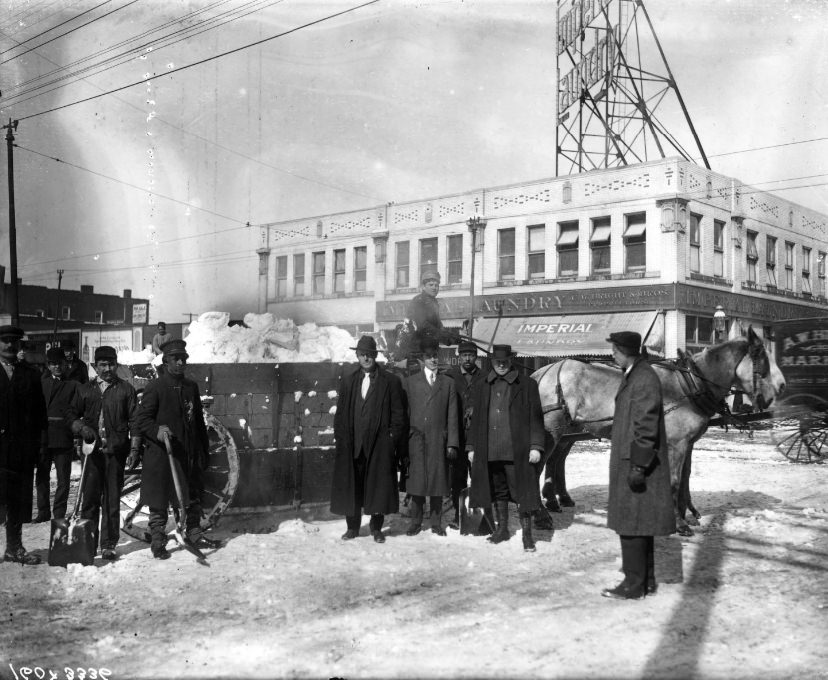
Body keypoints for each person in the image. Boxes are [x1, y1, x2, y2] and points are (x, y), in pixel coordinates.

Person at [601, 331, 675, 600]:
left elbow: (646, 425)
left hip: (635, 462)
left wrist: (639, 466)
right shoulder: (636, 374)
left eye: (615, 350)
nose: (612, 354)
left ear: (626, 351)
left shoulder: (642, 379)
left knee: (631, 523)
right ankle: (647, 581)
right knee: (639, 522)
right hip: (632, 460)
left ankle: (633, 586)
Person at [135, 339, 217, 560]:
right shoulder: (156, 387)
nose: (181, 362)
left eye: (184, 358)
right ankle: (158, 541)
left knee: (191, 496)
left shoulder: (191, 387)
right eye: (175, 358)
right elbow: (142, 420)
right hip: (163, 455)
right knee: (159, 500)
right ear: (166, 360)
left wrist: (202, 450)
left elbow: (198, 421)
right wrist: (157, 431)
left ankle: (193, 533)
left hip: (187, 454)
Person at [466, 344, 545, 552]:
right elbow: (475, 420)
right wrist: (472, 446)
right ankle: (502, 530)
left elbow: (536, 419)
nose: (501, 365)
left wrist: (536, 446)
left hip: (516, 450)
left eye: (505, 361)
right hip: (490, 449)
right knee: (497, 491)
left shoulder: (527, 385)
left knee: (523, 493)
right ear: (491, 362)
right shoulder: (483, 384)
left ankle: (527, 536)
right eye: (497, 361)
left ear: (511, 361)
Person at [330, 335, 407, 543]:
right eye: (362, 354)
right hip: (353, 444)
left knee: (378, 486)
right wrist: (341, 438)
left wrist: (391, 439)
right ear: (357, 355)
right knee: (352, 485)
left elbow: (399, 415)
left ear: (376, 356)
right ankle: (352, 527)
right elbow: (341, 414)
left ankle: (376, 529)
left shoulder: (390, 381)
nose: (366, 359)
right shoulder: (349, 381)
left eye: (370, 355)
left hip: (379, 445)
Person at [69, 346, 142, 560]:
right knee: (90, 499)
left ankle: (109, 544)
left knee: (111, 499)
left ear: (116, 365)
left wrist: (135, 447)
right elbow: (70, 414)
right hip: (92, 455)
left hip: (115, 453)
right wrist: (81, 428)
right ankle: (88, 544)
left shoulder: (126, 389)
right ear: (95, 366)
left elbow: (135, 421)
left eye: (111, 364)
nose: (107, 369)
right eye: (103, 365)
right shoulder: (84, 389)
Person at [0, 325, 48, 564]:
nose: (9, 345)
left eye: (13, 341)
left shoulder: (30, 374)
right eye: (5, 341)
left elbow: (39, 413)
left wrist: (40, 445)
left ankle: (14, 547)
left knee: (17, 500)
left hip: (21, 449)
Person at [402, 335, 459, 536]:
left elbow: (452, 415)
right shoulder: (410, 383)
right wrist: (405, 439)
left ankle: (436, 523)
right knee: (417, 483)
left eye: (435, 356)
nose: (433, 359)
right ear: (422, 359)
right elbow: (405, 413)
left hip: (438, 440)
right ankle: (416, 522)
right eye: (429, 356)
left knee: (437, 481)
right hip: (416, 440)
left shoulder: (448, 383)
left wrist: (452, 442)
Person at [34, 348, 82, 523]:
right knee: (42, 475)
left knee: (63, 477)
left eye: (60, 363)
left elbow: (77, 409)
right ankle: (43, 511)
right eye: (53, 364)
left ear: (65, 364)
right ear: (48, 365)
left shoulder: (73, 385)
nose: (57, 367)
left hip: (63, 435)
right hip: (43, 435)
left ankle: (59, 512)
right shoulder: (41, 383)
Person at [445, 339, 486, 530]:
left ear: (476, 357)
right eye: (464, 355)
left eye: (470, 355)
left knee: (479, 476)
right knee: (457, 478)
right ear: (458, 357)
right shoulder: (449, 377)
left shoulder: (485, 377)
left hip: (478, 436)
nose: (467, 359)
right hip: (457, 437)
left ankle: (480, 515)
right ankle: (458, 514)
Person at [406, 270, 459, 346]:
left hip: (430, 346)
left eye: (436, 285)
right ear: (423, 287)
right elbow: (423, 325)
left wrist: (449, 335)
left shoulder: (433, 302)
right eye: (431, 285)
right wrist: (444, 337)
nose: (434, 288)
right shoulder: (419, 301)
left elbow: (438, 325)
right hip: (417, 347)